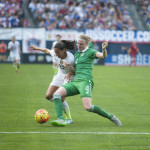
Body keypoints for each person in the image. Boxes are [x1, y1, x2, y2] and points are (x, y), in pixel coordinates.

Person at [50, 34, 122, 127]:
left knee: (88, 107)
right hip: (76, 81)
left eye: (81, 44)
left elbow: (102, 56)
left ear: (87, 44)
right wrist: (70, 70)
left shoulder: (91, 52)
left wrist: (104, 49)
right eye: (77, 43)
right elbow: (76, 70)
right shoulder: (76, 54)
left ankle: (111, 117)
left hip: (86, 81)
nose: (78, 45)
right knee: (56, 95)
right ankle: (60, 119)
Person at [30, 40, 75, 124]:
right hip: (60, 74)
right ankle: (60, 105)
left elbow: (78, 71)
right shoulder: (55, 53)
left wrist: (70, 71)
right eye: (55, 52)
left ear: (64, 50)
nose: (56, 55)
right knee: (48, 96)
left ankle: (68, 118)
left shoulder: (71, 58)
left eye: (58, 52)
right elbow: (46, 50)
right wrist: (37, 48)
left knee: (61, 97)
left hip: (69, 77)